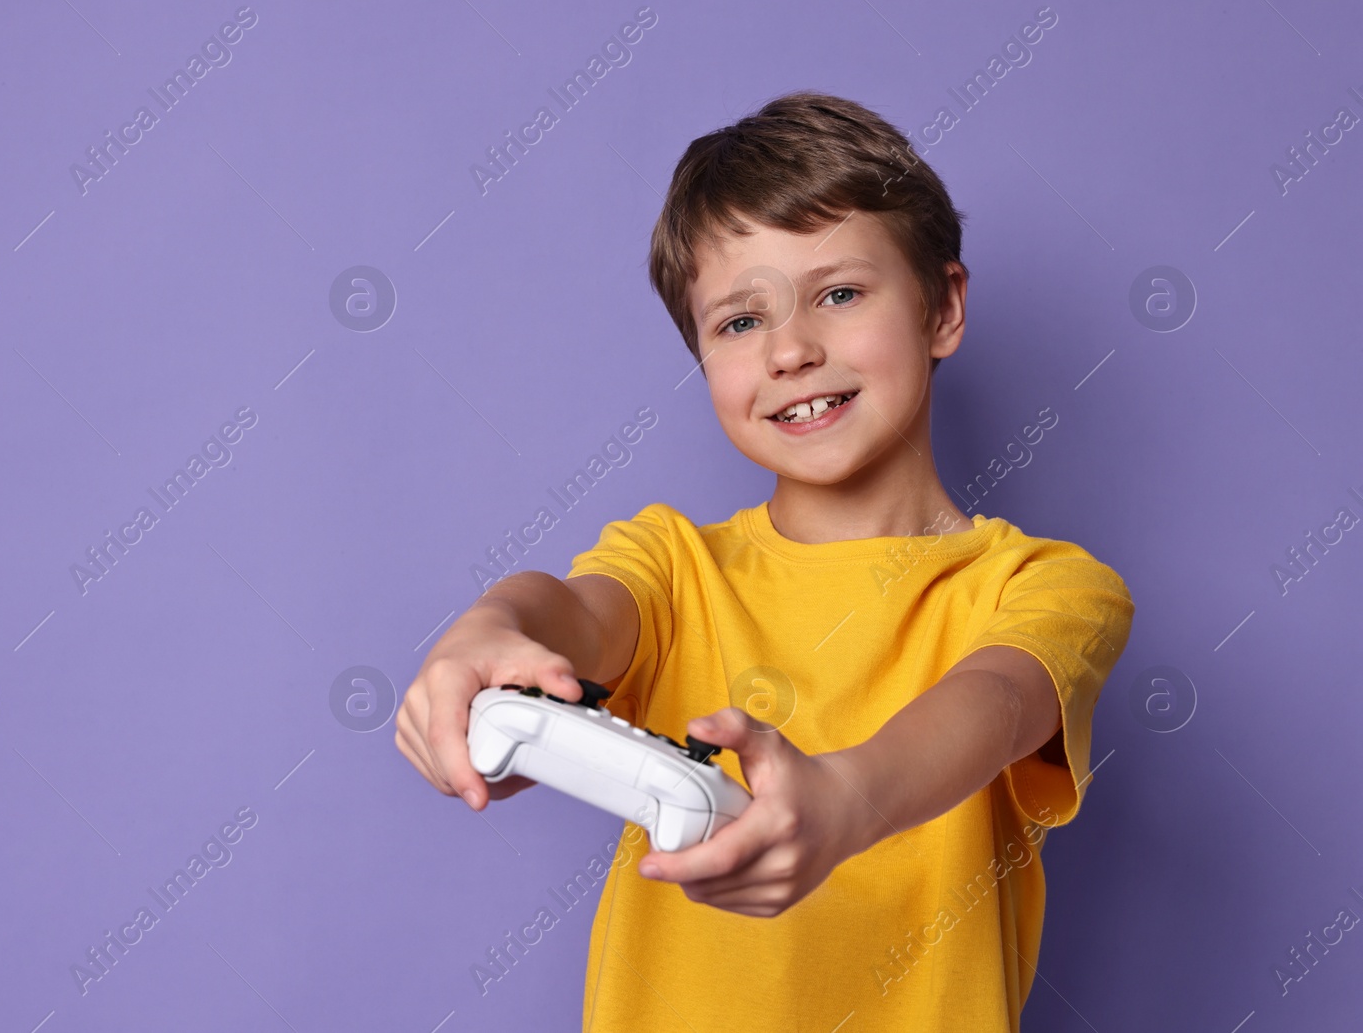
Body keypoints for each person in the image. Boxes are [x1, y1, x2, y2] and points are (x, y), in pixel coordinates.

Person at [394, 90, 1135, 1032]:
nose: (790, 348)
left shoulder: (1045, 586)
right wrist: (490, 627)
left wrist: (847, 801)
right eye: (740, 322)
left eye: (838, 293)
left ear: (942, 307)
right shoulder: (671, 565)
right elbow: (571, 611)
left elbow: (996, 701)